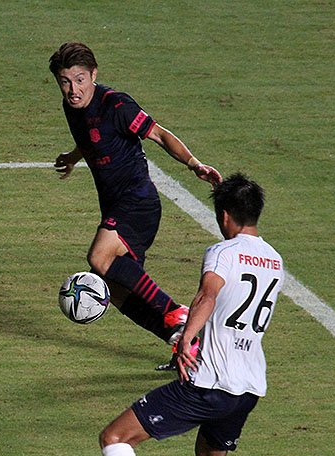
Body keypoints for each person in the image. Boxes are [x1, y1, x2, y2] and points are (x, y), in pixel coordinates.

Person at [92, 173, 284, 456]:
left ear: (225, 215)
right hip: (248, 386)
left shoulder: (223, 252)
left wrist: (185, 339)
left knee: (115, 438)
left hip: (208, 382)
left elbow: (207, 296)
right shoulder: (275, 260)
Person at [49, 41, 222, 352]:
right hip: (114, 206)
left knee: (99, 258)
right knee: (114, 290)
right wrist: (74, 157)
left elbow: (160, 134)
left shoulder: (117, 105)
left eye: (80, 80)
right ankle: (182, 343)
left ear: (93, 75)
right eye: (65, 82)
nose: (73, 90)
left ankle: (175, 311)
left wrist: (194, 164)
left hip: (138, 202)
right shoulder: (71, 107)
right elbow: (91, 137)